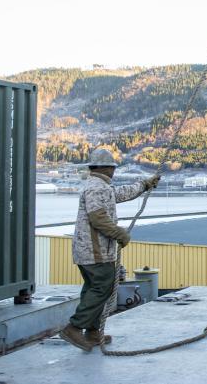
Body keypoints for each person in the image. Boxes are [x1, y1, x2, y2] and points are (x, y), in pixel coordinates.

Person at [58, 149, 159, 352]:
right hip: (95, 251)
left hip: (90, 251)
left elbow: (119, 194)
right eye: (112, 167)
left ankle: (93, 332)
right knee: (101, 288)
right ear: (105, 168)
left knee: (94, 288)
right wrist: (119, 234)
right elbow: (98, 218)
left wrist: (144, 184)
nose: (113, 170)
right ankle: (74, 327)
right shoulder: (96, 187)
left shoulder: (100, 186)